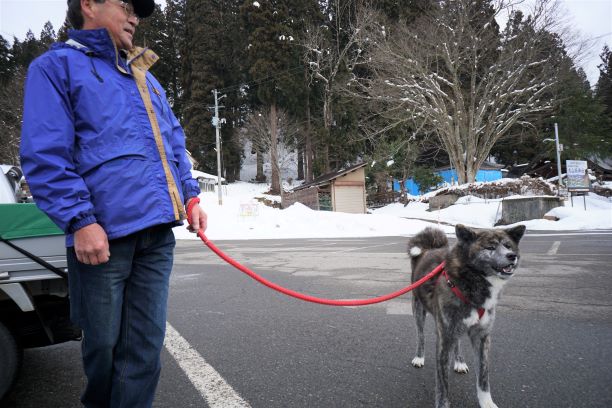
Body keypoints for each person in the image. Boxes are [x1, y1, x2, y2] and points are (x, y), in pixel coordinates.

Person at [19, 0, 207, 406]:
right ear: (88, 4)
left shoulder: (145, 76)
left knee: (143, 350)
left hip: (157, 235)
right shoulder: (55, 68)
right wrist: (80, 220)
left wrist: (190, 195)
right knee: (102, 348)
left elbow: (174, 142)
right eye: (127, 4)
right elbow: (44, 155)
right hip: (101, 239)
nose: (136, 16)